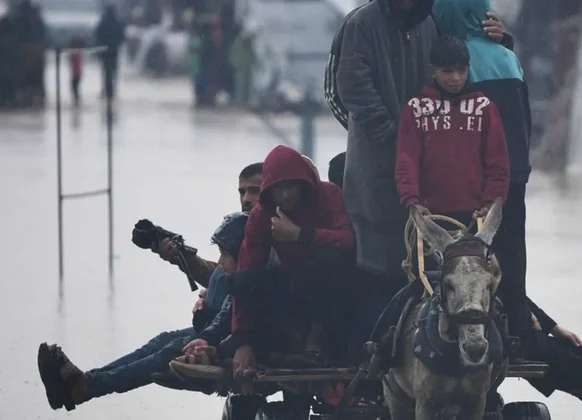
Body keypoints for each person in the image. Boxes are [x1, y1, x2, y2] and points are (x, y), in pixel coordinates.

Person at [334, 0, 512, 361]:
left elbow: (462, 58)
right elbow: (349, 87)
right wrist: (394, 133)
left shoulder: (431, 25)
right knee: (378, 273)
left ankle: (428, 359)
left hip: (430, 190)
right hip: (374, 175)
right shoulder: (361, 24)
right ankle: (370, 367)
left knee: (428, 278)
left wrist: (503, 40)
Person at [37, 212, 250, 411]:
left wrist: (219, 337)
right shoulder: (243, 234)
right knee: (161, 341)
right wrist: (181, 255)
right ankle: (87, 381)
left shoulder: (264, 250)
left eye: (253, 191)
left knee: (168, 351)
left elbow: (244, 302)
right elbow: (221, 277)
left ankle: (86, 387)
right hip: (217, 326)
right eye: (243, 192)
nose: (247, 198)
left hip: (229, 335)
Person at [432, 0, 535, 361]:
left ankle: (485, 340)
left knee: (467, 266)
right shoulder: (508, 57)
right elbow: (525, 121)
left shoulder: (453, 66)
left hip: (475, 187)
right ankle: (521, 333)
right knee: (510, 261)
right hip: (515, 177)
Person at [229, 145, 356, 378]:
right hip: (291, 288)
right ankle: (291, 343)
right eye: (279, 189)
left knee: (331, 259)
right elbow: (248, 268)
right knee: (244, 279)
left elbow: (348, 240)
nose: (286, 195)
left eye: (291, 186)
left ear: (304, 184)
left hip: (329, 291)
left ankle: (316, 338)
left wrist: (301, 235)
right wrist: (242, 342)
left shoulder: (328, 195)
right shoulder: (261, 214)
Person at [395, 35, 509, 227]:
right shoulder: (415, 109)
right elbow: (406, 161)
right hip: (429, 216)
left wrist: (491, 202)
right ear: (433, 70)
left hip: (476, 217)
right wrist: (412, 200)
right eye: (447, 71)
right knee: (424, 258)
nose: (455, 78)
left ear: (468, 69)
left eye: (461, 70)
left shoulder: (485, 108)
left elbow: (498, 163)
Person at [94, 4, 125, 100]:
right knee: (113, 71)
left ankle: (107, 90)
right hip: (114, 50)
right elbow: (122, 36)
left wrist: (102, 44)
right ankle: (112, 90)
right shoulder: (117, 22)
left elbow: (98, 34)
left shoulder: (104, 21)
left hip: (106, 50)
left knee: (106, 72)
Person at [68, 37, 84, 105]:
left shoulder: (76, 53)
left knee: (74, 87)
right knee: (75, 87)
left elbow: (73, 61)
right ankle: (76, 100)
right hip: (77, 72)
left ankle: (76, 100)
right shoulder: (78, 52)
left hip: (76, 73)